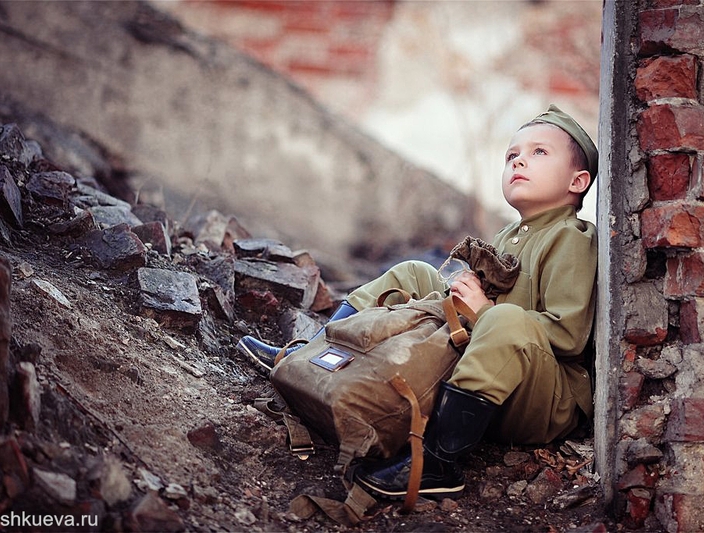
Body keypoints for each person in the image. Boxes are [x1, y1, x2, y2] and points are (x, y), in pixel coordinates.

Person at [239, 104, 598, 501]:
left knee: (506, 319)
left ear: (578, 181)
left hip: (542, 400)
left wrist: (484, 310)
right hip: (487, 380)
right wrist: (463, 295)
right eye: (511, 155)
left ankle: (438, 461)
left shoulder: (572, 237)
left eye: (539, 152)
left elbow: (567, 336)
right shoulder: (509, 233)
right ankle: (313, 355)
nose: (519, 161)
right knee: (415, 272)